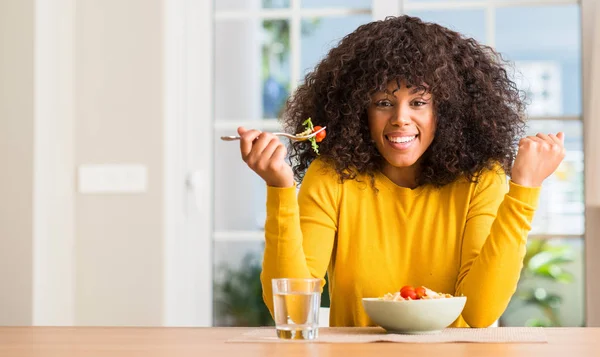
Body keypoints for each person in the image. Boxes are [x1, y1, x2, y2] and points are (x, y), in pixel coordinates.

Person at [235, 15, 565, 328]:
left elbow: (479, 312)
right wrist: (279, 188)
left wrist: (524, 188)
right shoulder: (332, 176)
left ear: (447, 110)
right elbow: (292, 311)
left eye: (419, 103)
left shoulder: (480, 179)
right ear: (357, 111)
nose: (400, 119)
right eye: (383, 103)